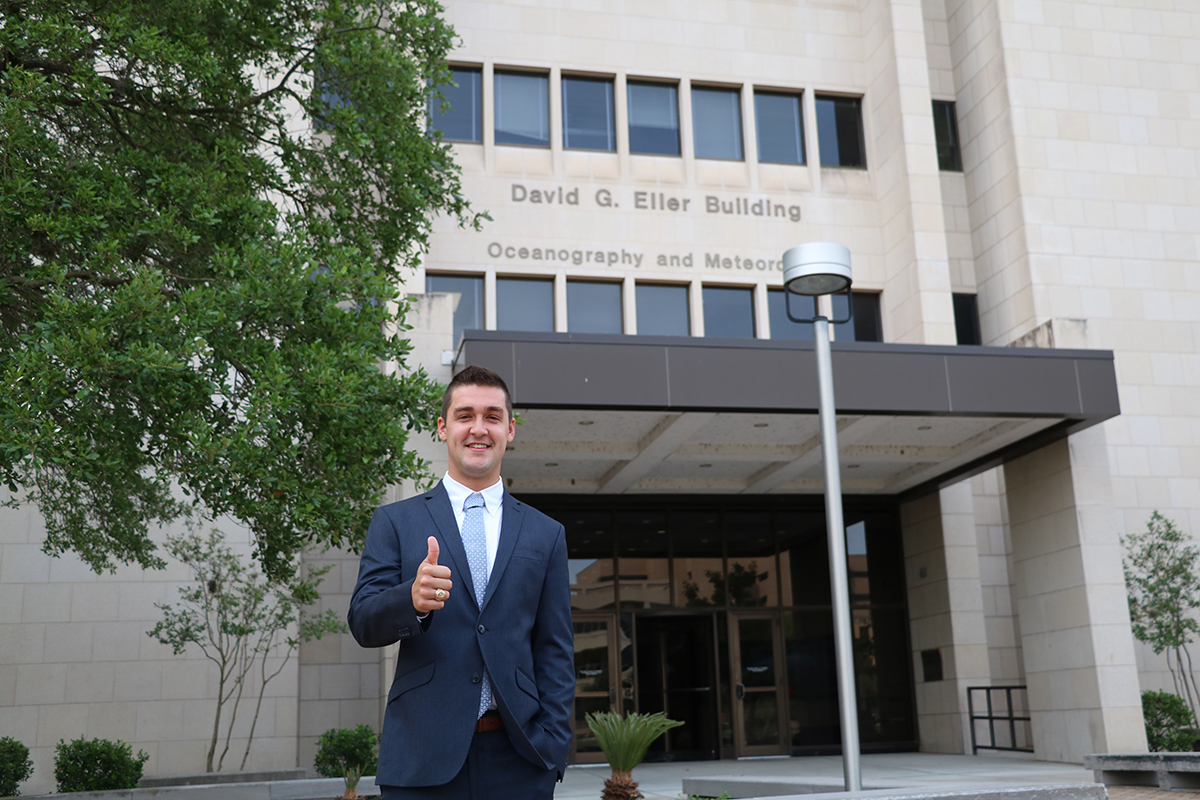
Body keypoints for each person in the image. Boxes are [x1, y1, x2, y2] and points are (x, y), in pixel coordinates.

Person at [348, 365, 574, 799]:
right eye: (465, 415)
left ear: (510, 429)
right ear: (443, 427)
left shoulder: (546, 534)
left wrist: (552, 747)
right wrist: (410, 601)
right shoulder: (395, 521)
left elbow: (556, 650)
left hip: (521, 759)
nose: (478, 428)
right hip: (420, 759)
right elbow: (362, 622)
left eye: (492, 416)